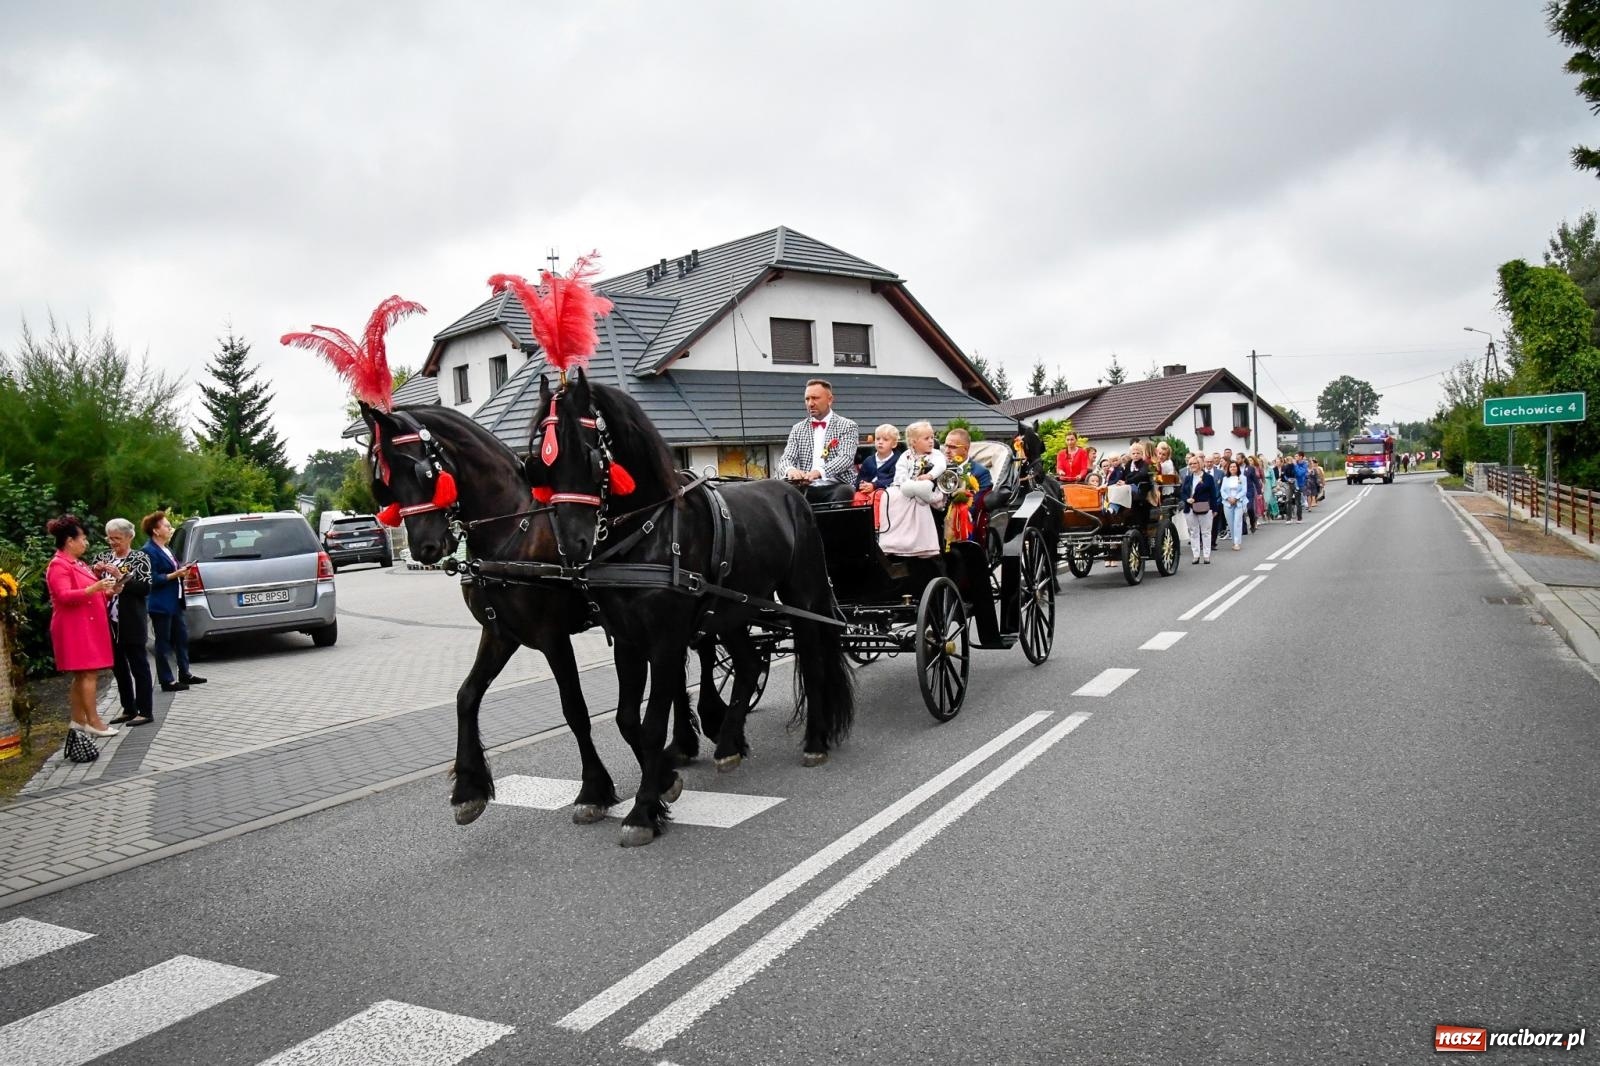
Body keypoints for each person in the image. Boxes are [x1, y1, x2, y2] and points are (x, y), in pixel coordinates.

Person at [45, 515, 119, 738]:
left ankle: (78, 720)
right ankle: (93, 721)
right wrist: (94, 588)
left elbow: (91, 592)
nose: (85, 543)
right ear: (70, 541)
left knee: (84, 674)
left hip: (86, 625)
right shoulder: (59, 565)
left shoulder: (78, 564)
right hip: (74, 627)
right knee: (87, 673)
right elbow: (64, 595)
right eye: (83, 539)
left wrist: (108, 591)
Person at [94, 518, 154, 726]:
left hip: (131, 619)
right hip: (107, 621)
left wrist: (120, 575)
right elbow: (91, 584)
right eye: (109, 538)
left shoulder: (139, 558)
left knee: (139, 665)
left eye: (117, 538)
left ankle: (145, 711)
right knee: (118, 667)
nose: (113, 543)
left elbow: (145, 588)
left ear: (129, 537)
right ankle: (128, 708)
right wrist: (95, 573)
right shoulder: (102, 557)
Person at [141, 510, 206, 693]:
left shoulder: (167, 549)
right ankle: (166, 680)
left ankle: (185, 672)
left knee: (181, 638)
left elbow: (173, 570)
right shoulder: (148, 551)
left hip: (175, 601)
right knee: (163, 643)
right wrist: (174, 575)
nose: (170, 529)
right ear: (155, 530)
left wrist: (182, 571)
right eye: (167, 526)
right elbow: (151, 579)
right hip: (161, 603)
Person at [778, 378, 861, 505]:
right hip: (805, 487)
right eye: (807, 399)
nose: (810, 403)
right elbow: (786, 458)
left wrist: (818, 472)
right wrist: (790, 470)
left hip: (836, 485)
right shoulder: (798, 428)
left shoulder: (848, 426)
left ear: (830, 400)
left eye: (815, 398)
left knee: (844, 493)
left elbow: (845, 458)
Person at [878, 422, 946, 557]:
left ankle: (922, 545)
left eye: (932, 437)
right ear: (914, 442)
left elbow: (941, 466)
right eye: (927, 438)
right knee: (889, 495)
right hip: (907, 487)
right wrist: (906, 484)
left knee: (920, 497)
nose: (931, 441)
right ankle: (894, 541)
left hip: (928, 489)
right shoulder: (906, 456)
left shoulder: (936, 454)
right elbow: (900, 473)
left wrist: (929, 475)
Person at [1179, 454, 1217, 564]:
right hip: (1190, 508)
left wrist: (1214, 509)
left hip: (1204, 507)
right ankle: (1196, 555)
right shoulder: (1188, 478)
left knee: (1206, 532)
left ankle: (1206, 555)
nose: (1192, 465)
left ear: (1199, 464)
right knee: (1193, 532)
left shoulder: (1208, 478)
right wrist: (1187, 499)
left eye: (1194, 463)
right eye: (1190, 464)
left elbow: (1213, 494)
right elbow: (1182, 493)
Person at [856, 423, 901, 492]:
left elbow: (893, 479)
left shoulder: (898, 461)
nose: (880, 442)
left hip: (885, 492)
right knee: (857, 497)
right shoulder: (868, 461)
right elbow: (861, 478)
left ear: (894, 444)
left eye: (885, 440)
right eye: (878, 439)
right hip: (865, 491)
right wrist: (862, 484)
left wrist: (875, 485)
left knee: (879, 496)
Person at [1221, 461, 1247, 551]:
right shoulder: (1225, 479)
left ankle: (1237, 542)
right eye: (1231, 467)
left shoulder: (1242, 478)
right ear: (1228, 468)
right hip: (1228, 502)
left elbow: (1244, 490)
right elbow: (1222, 491)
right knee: (1231, 523)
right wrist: (1228, 498)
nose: (1233, 468)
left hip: (1238, 502)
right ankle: (1233, 540)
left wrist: (1236, 498)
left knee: (1237, 522)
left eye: (1234, 467)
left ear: (1237, 468)